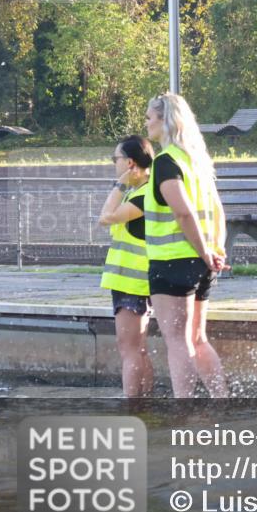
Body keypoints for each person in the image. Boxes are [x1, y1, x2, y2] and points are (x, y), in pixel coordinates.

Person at [143, 92, 229, 398]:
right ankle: (222, 401)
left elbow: (182, 211)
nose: (146, 124)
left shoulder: (166, 162)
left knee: (177, 340)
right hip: (203, 263)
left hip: (173, 262)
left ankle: (184, 412)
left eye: (150, 117)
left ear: (165, 120)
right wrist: (216, 250)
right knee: (198, 337)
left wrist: (206, 251)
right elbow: (217, 210)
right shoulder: (197, 160)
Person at [98, 135, 156, 397]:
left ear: (130, 162)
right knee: (139, 348)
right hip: (134, 282)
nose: (114, 164)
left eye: (116, 159)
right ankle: (145, 404)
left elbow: (106, 218)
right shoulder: (144, 191)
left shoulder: (142, 195)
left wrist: (119, 185)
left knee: (129, 350)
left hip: (132, 283)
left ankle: (132, 407)